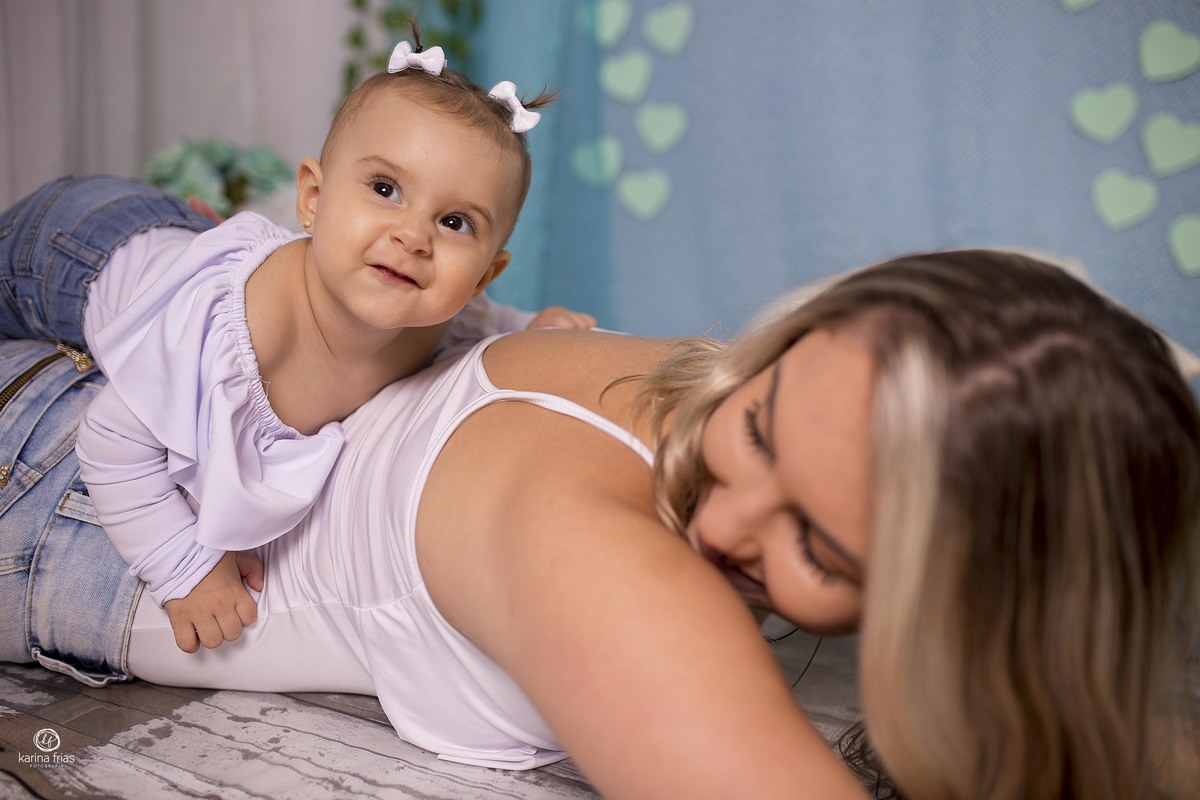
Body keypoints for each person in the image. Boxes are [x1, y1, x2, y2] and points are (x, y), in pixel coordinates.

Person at [1, 249, 1197, 798]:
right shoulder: (599, 554)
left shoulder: (714, 389)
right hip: (70, 474)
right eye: (760, 426)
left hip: (195, 300)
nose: (724, 520)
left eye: (821, 546)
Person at [0, 35, 595, 656]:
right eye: (386, 188)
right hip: (70, 251)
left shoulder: (440, 317)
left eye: (455, 223)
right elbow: (112, 442)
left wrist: (533, 329)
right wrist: (185, 570)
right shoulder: (249, 332)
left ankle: (204, 227)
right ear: (312, 197)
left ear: (483, 274)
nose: (413, 236)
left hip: (177, 240)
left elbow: (486, 320)